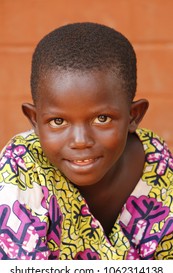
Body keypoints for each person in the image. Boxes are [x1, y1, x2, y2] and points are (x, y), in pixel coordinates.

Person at [0, 22, 173, 260]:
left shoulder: (160, 170)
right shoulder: (21, 168)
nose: (80, 141)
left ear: (134, 116)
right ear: (34, 120)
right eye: (58, 121)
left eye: (102, 119)